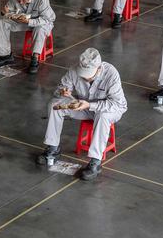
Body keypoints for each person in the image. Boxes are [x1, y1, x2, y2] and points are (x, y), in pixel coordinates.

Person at [37, 48, 127, 181]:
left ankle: (95, 162)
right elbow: (60, 89)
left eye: (89, 74)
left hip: (109, 109)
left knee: (103, 116)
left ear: (99, 68)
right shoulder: (74, 70)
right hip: (83, 106)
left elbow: (116, 104)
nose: (85, 76)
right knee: (54, 105)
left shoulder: (111, 74)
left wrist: (90, 105)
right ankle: (53, 148)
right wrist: (63, 92)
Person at [0, 0, 55, 73]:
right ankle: (5, 55)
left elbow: (47, 18)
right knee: (1, 21)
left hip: (42, 22)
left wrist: (29, 21)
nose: (20, 2)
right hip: (23, 21)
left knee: (40, 29)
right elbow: (8, 10)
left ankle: (35, 58)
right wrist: (4, 12)